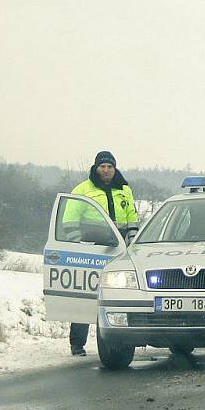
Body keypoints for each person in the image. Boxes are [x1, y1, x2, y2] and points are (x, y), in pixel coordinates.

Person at [66, 151, 138, 356]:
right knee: (87, 296)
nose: (106, 170)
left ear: (115, 168)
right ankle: (77, 343)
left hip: (119, 250)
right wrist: (79, 245)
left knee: (116, 294)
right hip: (93, 249)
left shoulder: (124, 189)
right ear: (96, 168)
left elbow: (132, 217)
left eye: (109, 166)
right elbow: (69, 220)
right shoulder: (82, 190)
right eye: (102, 166)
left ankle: (115, 341)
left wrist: (132, 241)